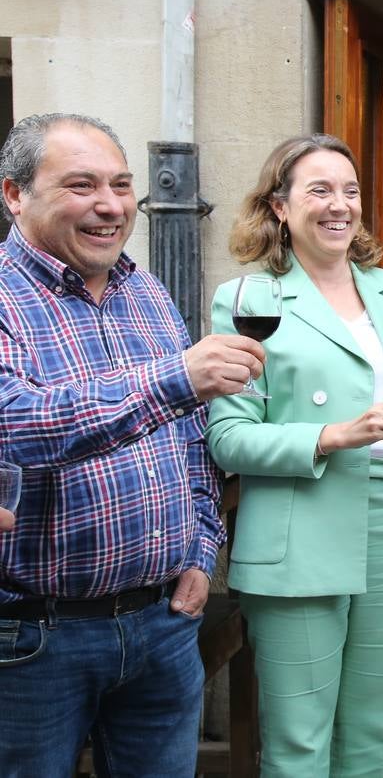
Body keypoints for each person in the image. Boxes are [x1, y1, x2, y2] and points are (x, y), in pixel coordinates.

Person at [0, 113, 266, 777]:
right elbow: (19, 423)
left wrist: (203, 550)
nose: (111, 206)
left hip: (162, 626)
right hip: (35, 639)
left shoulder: (144, 290)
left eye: (122, 185)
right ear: (15, 194)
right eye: (82, 185)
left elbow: (191, 438)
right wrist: (175, 378)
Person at [206, 134, 383, 777]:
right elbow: (228, 437)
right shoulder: (246, 299)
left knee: (372, 729)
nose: (339, 205)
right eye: (319, 190)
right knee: (298, 744)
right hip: (301, 525)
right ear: (279, 207)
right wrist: (332, 436)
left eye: (349, 190)